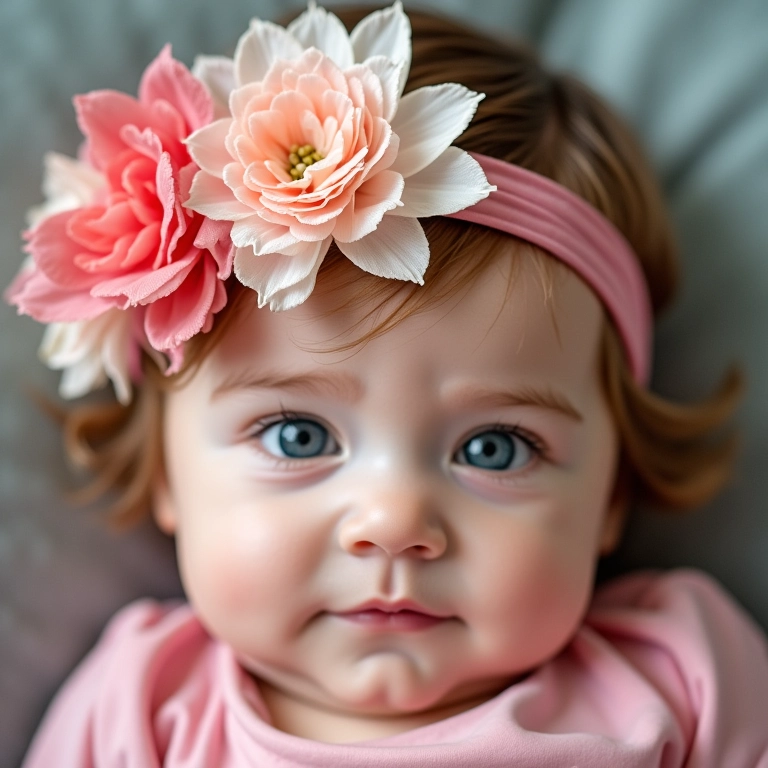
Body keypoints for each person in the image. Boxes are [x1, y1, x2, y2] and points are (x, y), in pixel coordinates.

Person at [7, 2, 768, 765]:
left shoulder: (680, 675)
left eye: (496, 448)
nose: (394, 521)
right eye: (296, 436)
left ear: (612, 492)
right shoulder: (144, 706)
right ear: (168, 470)